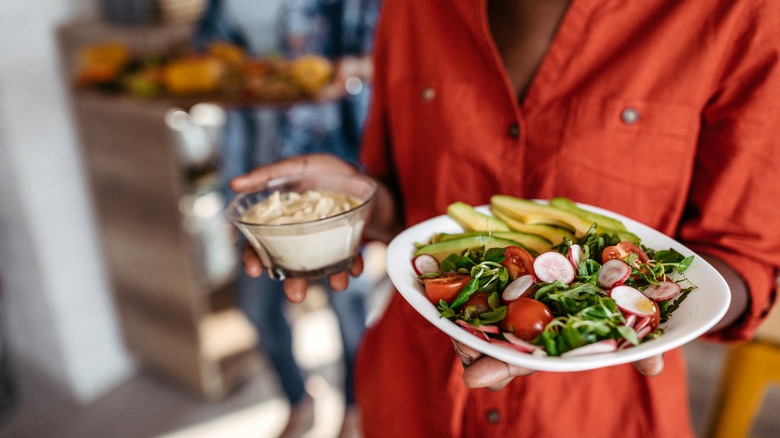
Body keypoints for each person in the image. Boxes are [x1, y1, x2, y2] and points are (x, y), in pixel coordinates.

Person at [230, 0, 780, 437]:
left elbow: (742, 261)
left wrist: (625, 308)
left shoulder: (737, 12)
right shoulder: (413, 6)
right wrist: (356, 211)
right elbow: (409, 203)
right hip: (410, 397)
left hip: (599, 415)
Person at [197, 1, 381, 437]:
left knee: (347, 304)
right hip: (252, 166)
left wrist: (346, 70)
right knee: (256, 308)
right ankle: (299, 398)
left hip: (329, 162)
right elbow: (207, 42)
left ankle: (355, 407)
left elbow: (383, 54)